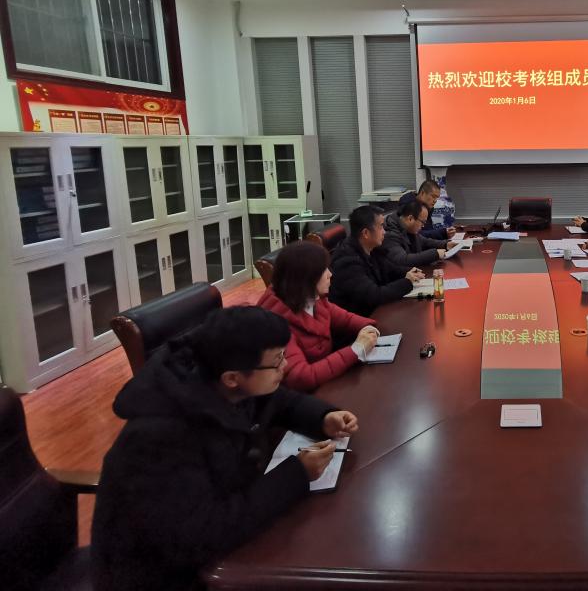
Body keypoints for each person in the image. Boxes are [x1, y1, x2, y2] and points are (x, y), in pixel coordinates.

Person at [92, 306, 360, 591]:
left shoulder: (229, 382)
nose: (286, 366)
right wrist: (296, 474)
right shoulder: (158, 439)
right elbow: (205, 533)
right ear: (232, 378)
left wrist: (323, 417)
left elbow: (279, 401)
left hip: (217, 543)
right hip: (161, 575)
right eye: (277, 361)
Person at [257, 240, 380, 392]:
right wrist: (356, 350)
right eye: (323, 270)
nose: (330, 274)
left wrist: (369, 328)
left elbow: (346, 319)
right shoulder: (274, 322)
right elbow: (301, 377)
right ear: (305, 278)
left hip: (326, 385)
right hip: (301, 397)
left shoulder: (313, 298)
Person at [329, 205, 424, 317]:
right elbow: (374, 295)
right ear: (366, 233)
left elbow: (391, 270)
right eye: (381, 227)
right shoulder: (346, 261)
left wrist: (410, 272)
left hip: (376, 314)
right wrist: (407, 282)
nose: (384, 232)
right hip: (360, 322)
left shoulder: (372, 249)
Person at [381, 199, 458, 267]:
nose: (423, 226)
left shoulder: (407, 227)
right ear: (410, 218)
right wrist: (435, 254)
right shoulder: (389, 234)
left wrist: (445, 244)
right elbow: (403, 260)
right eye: (422, 222)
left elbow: (425, 241)